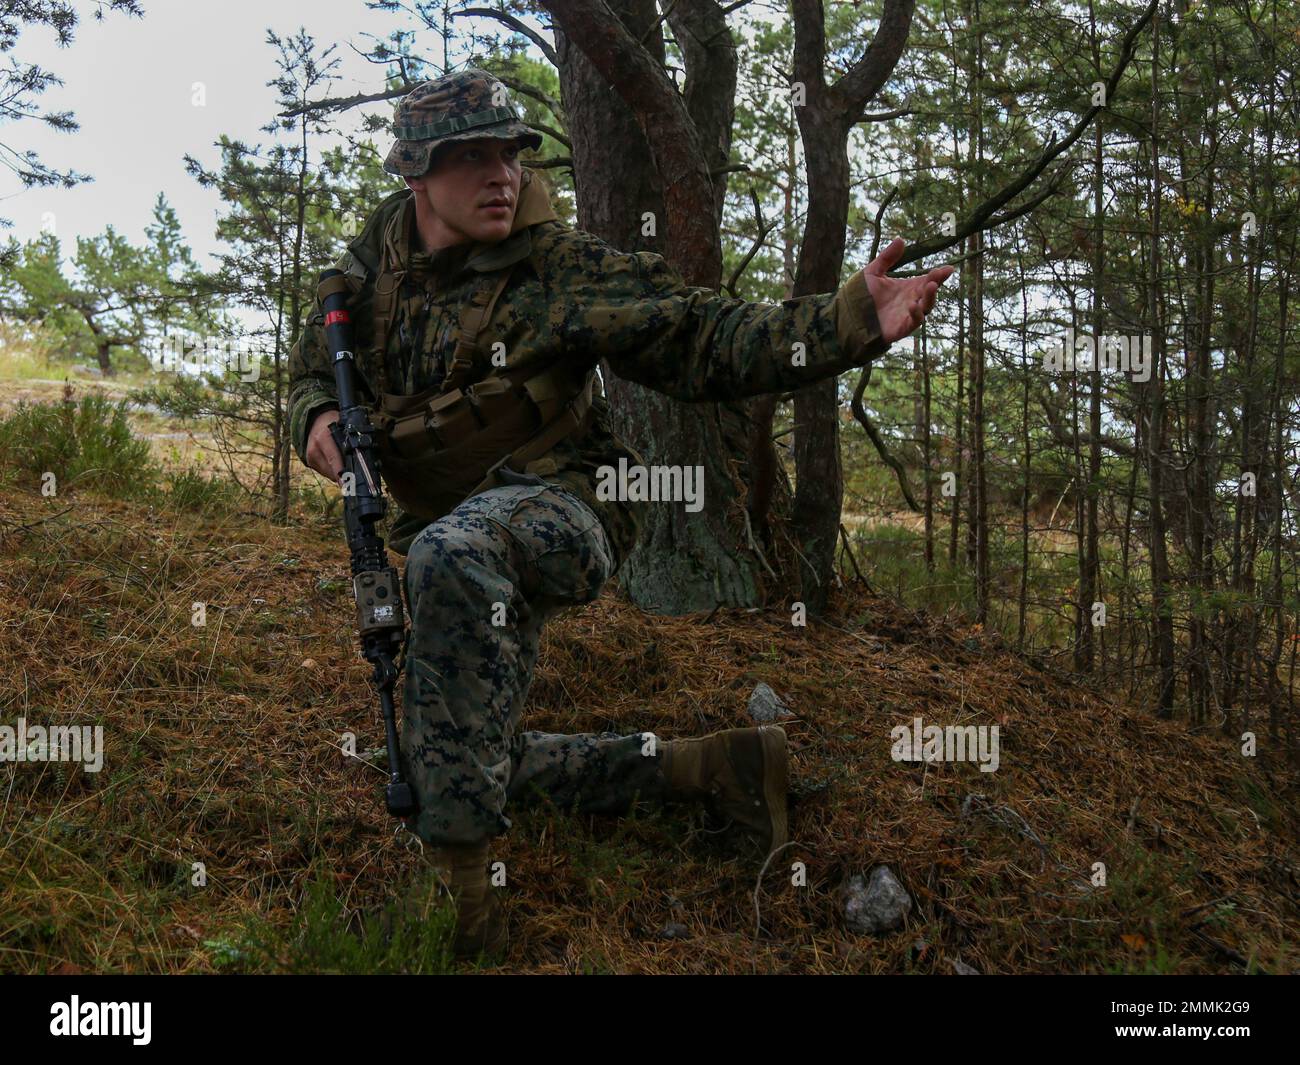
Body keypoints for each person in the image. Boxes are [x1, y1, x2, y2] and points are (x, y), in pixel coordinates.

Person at [288, 67, 954, 959]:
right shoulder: (369, 271)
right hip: (442, 534)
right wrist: (319, 423)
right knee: (448, 754)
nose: (502, 176)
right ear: (415, 176)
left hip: (565, 510)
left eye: (512, 155)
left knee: (452, 565)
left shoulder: (561, 271)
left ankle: (461, 916)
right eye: (472, 158)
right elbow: (305, 377)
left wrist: (846, 320)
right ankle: (711, 770)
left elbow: (703, 336)